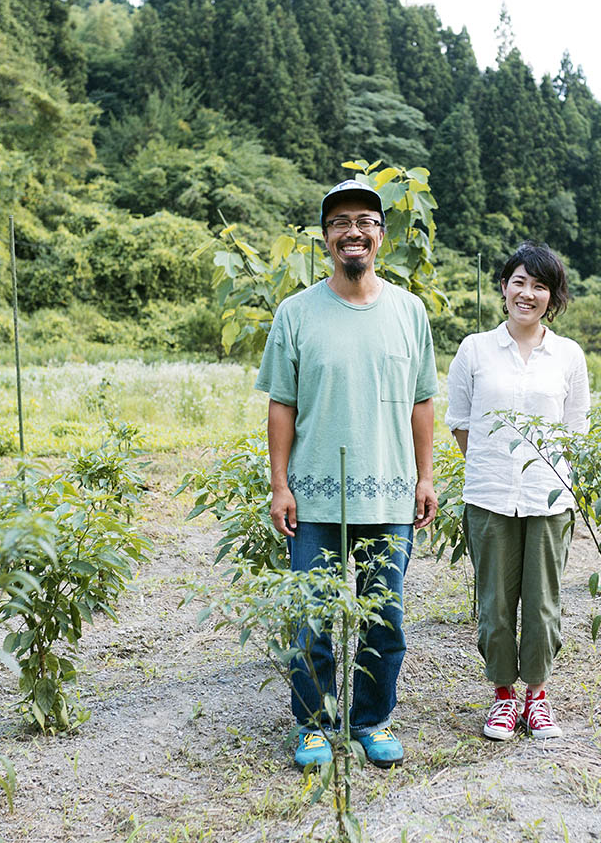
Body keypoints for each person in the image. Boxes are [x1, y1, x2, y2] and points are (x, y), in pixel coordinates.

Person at [256, 179, 438, 769]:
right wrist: (281, 485)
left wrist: (425, 477)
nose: (352, 231)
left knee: (385, 619)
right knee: (310, 619)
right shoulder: (296, 312)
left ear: (381, 235)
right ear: (326, 238)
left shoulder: (410, 313)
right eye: (339, 223)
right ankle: (313, 725)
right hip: (312, 499)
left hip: (388, 496)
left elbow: (421, 403)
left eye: (364, 220)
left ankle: (371, 720)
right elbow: (281, 403)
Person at [445, 242, 590, 741]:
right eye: (519, 282)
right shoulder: (475, 349)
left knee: (543, 601)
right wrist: (494, 466)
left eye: (540, 286)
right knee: (496, 604)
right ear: (504, 287)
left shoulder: (568, 355)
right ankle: (504, 698)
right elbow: (461, 423)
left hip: (550, 498)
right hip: (488, 496)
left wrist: (544, 477)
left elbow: (576, 431)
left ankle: (537, 696)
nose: (527, 294)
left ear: (553, 297)